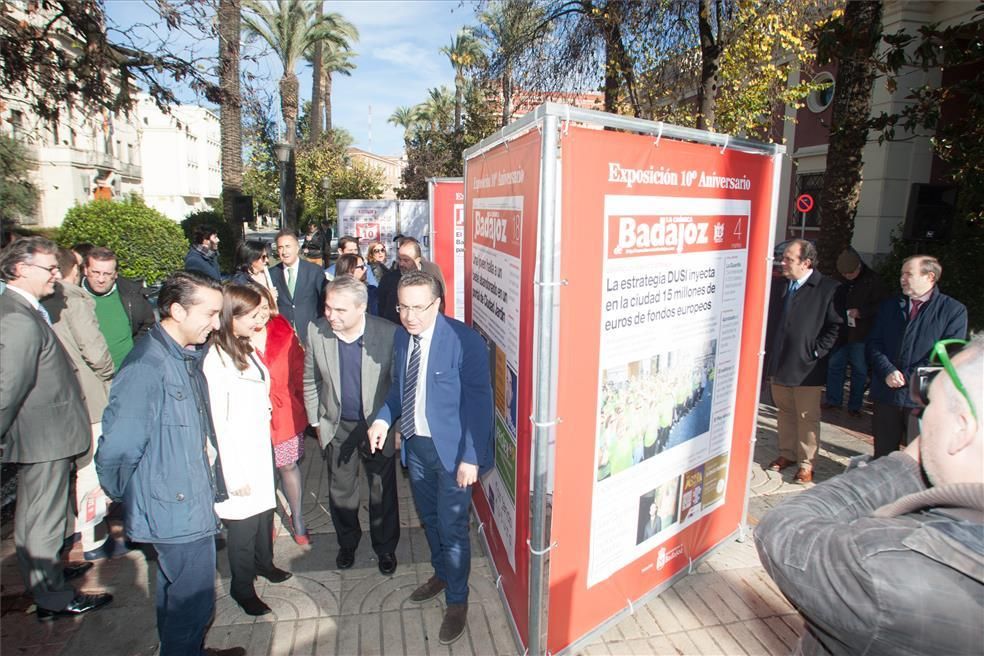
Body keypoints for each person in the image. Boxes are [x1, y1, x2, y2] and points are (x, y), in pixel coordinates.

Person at [756, 334, 983, 656]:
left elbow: (783, 529)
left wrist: (908, 463)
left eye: (932, 401)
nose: (923, 414)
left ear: (962, 429)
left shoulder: (890, 566)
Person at [96, 271, 245, 656]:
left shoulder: (182, 354)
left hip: (184, 498)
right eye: (210, 314)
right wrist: (125, 493)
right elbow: (118, 447)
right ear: (177, 310)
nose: (216, 324)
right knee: (193, 604)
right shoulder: (149, 365)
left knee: (173, 592)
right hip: (174, 507)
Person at [367, 271, 494, 645]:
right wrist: (383, 418)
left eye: (418, 308)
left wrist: (471, 457)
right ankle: (442, 574)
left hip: (454, 455)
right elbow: (399, 390)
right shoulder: (403, 339)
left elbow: (480, 405)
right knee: (430, 520)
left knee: (453, 528)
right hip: (417, 449)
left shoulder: (464, 341)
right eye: (403, 307)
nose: (409, 316)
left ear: (437, 304)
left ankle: (458, 600)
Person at [0, 237, 113, 620]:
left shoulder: (27, 308)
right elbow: (8, 386)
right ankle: (52, 597)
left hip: (51, 434)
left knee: (48, 515)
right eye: (48, 269)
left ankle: (51, 575)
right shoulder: (16, 316)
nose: (56, 275)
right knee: (40, 518)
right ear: (20, 269)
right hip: (42, 436)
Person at [203, 284, 292, 617]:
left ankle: (264, 563)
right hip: (238, 454)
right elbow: (218, 423)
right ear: (232, 317)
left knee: (263, 515)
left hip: (259, 446)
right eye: (253, 315)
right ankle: (242, 587)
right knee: (242, 526)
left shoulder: (245, 347)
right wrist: (232, 472)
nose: (260, 319)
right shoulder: (216, 359)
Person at [304, 276, 399, 575]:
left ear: (362, 308)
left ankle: (385, 548)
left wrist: (396, 427)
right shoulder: (317, 331)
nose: (330, 315)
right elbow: (310, 379)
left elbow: (398, 386)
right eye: (328, 307)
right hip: (337, 424)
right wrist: (315, 421)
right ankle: (347, 543)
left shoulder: (388, 333)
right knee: (341, 489)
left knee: (381, 490)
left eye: (339, 310)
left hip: (377, 424)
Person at [41, 248, 123, 561]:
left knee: (66, 474)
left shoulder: (36, 301)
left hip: (58, 402)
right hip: (90, 398)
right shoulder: (73, 300)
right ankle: (94, 540)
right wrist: (110, 374)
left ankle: (68, 534)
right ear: (76, 269)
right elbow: (97, 354)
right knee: (90, 471)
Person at [867, 255, 968, 457]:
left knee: (919, 457)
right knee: (883, 455)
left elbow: (947, 354)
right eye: (901, 274)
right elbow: (873, 342)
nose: (902, 278)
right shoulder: (891, 305)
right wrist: (888, 370)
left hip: (922, 398)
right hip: (887, 392)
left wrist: (907, 376)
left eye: (908, 274)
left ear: (930, 277)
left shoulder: (953, 310)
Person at [763, 239, 842, 484]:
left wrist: (816, 352)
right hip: (780, 362)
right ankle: (787, 453)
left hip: (807, 368)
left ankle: (807, 464)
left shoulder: (828, 288)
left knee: (807, 416)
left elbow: (835, 327)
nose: (782, 263)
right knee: (785, 411)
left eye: (788, 259)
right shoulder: (780, 286)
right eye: (782, 258)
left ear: (806, 262)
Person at [245, 281, 310, 545]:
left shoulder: (283, 330)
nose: (260, 315)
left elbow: (299, 371)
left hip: (284, 413)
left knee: (287, 465)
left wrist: (302, 405)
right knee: (262, 472)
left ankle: (298, 520)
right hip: (250, 416)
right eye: (253, 310)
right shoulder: (233, 337)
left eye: (264, 308)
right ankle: (267, 521)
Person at [823, 249, 887, 416]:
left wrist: (862, 312)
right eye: (844, 274)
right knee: (835, 365)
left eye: (851, 273)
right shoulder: (840, 281)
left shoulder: (873, 281)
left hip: (861, 333)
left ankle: (854, 405)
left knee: (859, 369)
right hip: (842, 332)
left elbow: (882, 306)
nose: (848, 276)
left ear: (859, 267)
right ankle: (833, 400)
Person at [83, 246, 155, 368]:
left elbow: (148, 324)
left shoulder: (132, 294)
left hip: (126, 371)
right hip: (89, 377)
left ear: (116, 274)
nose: (101, 279)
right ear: (85, 270)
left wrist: (136, 352)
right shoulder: (72, 297)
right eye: (95, 272)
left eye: (107, 274)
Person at [269, 230, 325, 343]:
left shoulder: (314, 271)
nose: (284, 252)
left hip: (311, 333)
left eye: (288, 246)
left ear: (297, 247)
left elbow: (324, 301)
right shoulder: (271, 274)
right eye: (280, 247)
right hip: (283, 335)